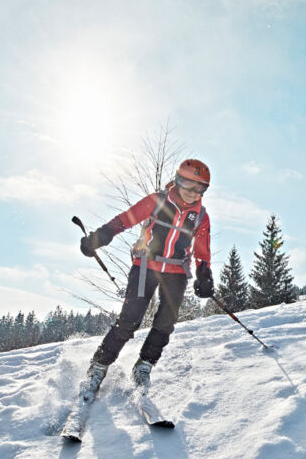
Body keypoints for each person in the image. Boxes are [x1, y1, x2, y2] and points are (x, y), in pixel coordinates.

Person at [76, 158, 215, 401]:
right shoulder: (157, 201)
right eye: (190, 186)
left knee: (165, 323)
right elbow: (125, 220)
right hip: (145, 267)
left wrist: (204, 274)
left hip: (176, 272)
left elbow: (202, 250)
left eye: (201, 189)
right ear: (179, 180)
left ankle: (144, 365)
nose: (194, 194)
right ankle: (99, 366)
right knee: (130, 319)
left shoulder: (201, 216)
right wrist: (101, 236)